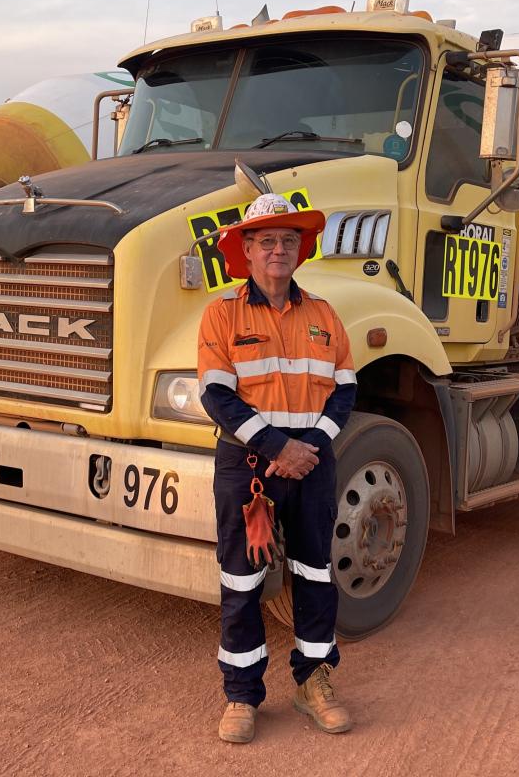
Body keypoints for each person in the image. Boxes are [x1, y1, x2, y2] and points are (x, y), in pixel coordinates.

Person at [197, 192, 357, 744]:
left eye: (289, 240)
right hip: (249, 471)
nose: (279, 250)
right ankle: (242, 696)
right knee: (240, 580)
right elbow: (217, 396)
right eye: (267, 240)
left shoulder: (324, 314)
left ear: (300, 249)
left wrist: (308, 447)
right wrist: (276, 449)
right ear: (246, 250)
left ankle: (315, 682)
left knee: (315, 573)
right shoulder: (222, 313)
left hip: (311, 466)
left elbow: (345, 388)